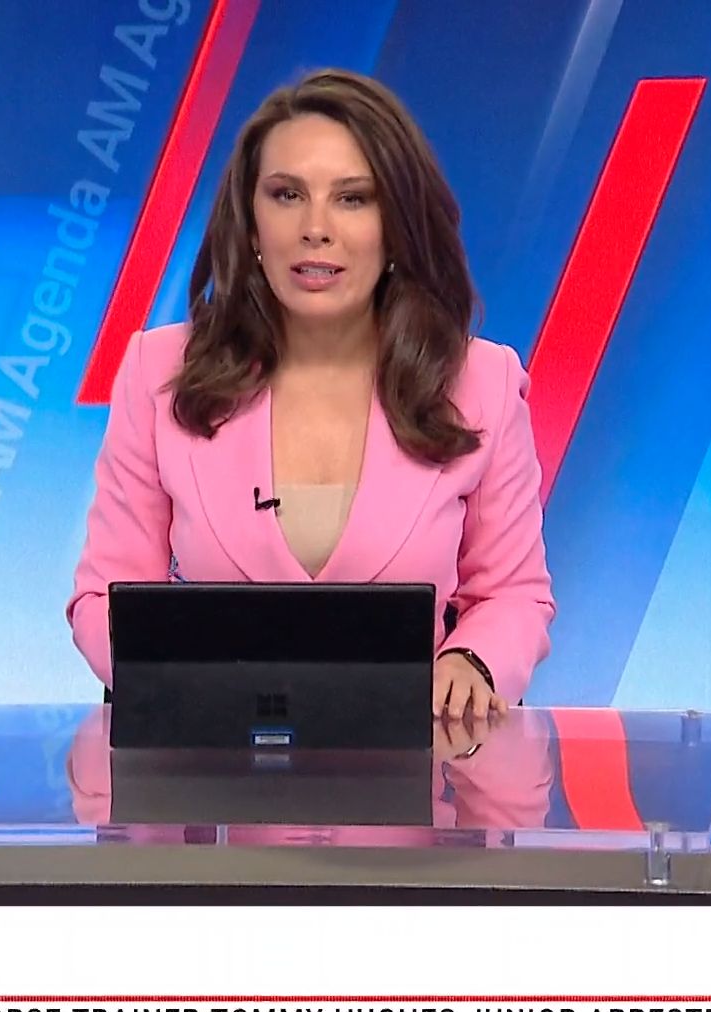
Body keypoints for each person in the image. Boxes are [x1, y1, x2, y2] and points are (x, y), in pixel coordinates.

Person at [66, 69, 554, 732]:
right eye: (287, 194)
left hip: (412, 764)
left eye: (352, 199)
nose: (315, 228)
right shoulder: (161, 371)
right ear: (251, 221)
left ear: (396, 226)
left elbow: (513, 594)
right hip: (211, 763)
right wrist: (173, 680)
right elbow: (104, 595)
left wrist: (473, 663)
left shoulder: (481, 382)